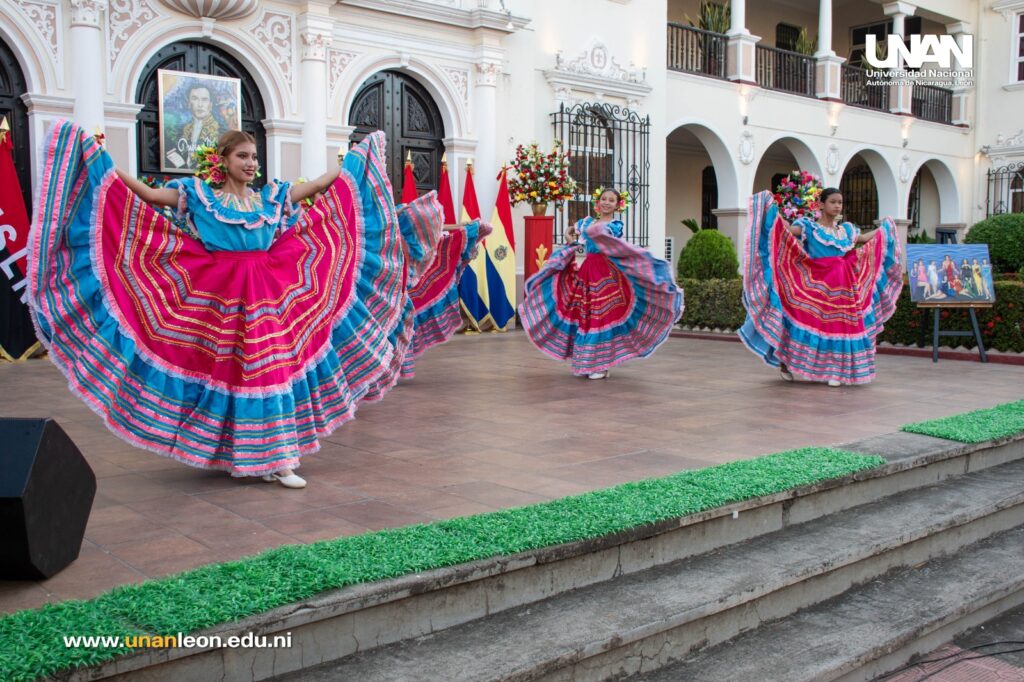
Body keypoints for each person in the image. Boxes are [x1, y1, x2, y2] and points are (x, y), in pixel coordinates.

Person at [28, 121, 442, 488]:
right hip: (220, 299)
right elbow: (147, 194)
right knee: (231, 374)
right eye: (242, 156)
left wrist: (356, 158)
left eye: (254, 157)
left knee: (273, 371)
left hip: (270, 297)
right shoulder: (196, 195)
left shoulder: (272, 198)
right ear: (222, 160)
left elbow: (317, 187)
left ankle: (280, 459)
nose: (250, 163)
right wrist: (97, 158)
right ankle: (243, 454)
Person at [739, 186, 902, 387]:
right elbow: (786, 231)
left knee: (841, 328)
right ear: (821, 205)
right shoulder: (809, 227)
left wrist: (886, 227)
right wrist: (771, 210)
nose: (837, 206)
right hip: (815, 286)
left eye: (840, 202)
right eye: (833, 201)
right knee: (801, 322)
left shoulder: (846, 230)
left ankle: (836, 371)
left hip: (843, 289)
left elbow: (866, 239)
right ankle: (786, 362)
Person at [519, 188, 684, 379]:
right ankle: (585, 363)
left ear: (617, 205)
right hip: (585, 274)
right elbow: (581, 248)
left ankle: (601, 365)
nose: (606, 203)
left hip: (604, 276)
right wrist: (574, 253)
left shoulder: (614, 226)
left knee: (600, 317)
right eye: (604, 199)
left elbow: (612, 248)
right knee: (585, 317)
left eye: (611, 200)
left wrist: (588, 234)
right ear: (598, 202)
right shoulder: (585, 223)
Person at [401, 220, 492, 379]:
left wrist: (460, 227)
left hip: (398, 272)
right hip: (381, 273)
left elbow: (424, 225)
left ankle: (392, 366)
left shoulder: (394, 216)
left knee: (401, 316)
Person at [168, 85, 221, 170]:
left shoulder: (220, 130)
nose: (200, 104)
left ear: (210, 105)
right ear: (189, 103)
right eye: (195, 99)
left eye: (204, 100)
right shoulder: (183, 129)